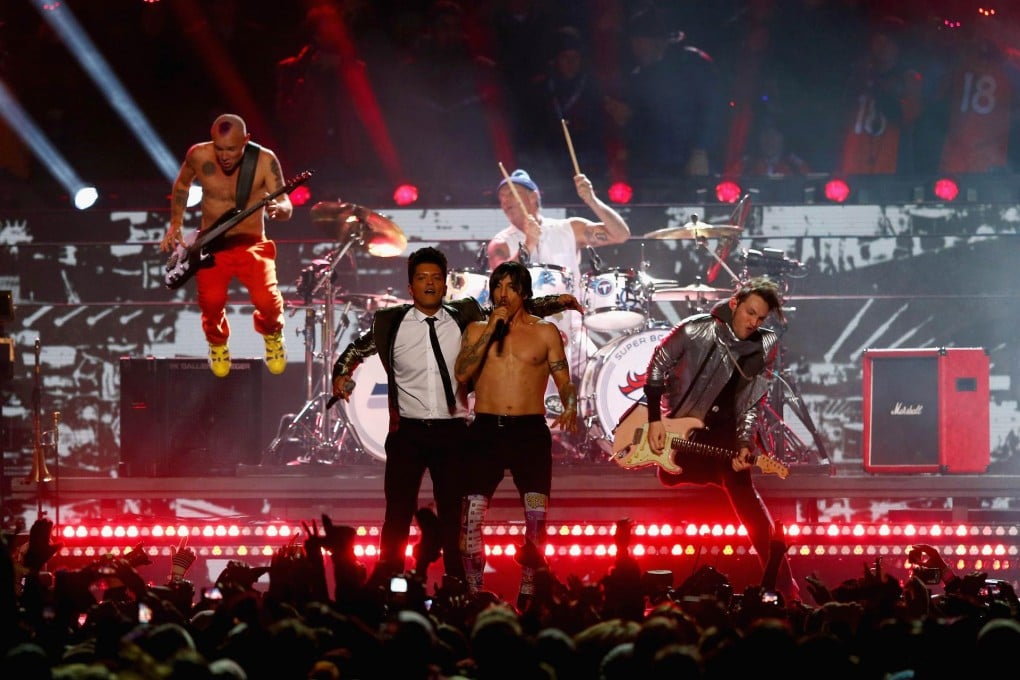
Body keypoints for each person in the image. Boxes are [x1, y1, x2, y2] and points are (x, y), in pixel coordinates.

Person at [330, 248, 579, 586]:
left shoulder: (466, 318)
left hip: (454, 433)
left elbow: (514, 309)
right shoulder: (391, 323)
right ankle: (388, 583)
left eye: (436, 278)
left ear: (446, 285)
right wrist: (342, 373)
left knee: (454, 518)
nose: (430, 284)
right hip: (408, 433)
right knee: (398, 513)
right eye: (422, 278)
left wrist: (558, 302)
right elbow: (357, 348)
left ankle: (459, 587)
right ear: (410, 286)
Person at [639, 276, 799, 599]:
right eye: (750, 312)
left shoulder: (763, 346)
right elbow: (657, 363)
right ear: (734, 303)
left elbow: (752, 402)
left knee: (746, 498)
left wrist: (743, 444)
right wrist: (655, 419)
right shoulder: (695, 329)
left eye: (761, 318)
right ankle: (711, 471)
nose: (754, 322)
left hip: (725, 435)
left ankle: (783, 586)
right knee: (668, 475)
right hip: (687, 428)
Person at [454, 261, 579, 609]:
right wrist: (491, 328)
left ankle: (529, 589)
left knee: (536, 520)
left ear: (524, 292)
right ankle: (474, 592)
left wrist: (570, 404)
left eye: (510, 287)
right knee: (470, 519)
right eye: (498, 286)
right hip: (485, 431)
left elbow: (564, 380)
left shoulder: (545, 332)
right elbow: (462, 373)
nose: (502, 294)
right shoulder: (478, 330)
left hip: (529, 432)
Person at [159, 113, 291, 378]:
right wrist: (175, 223)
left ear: (246, 140)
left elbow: (286, 202)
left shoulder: (264, 160)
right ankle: (218, 344)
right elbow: (183, 183)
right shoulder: (199, 155)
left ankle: (273, 335)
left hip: (252, 242)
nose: (225, 155)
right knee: (211, 301)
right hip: (212, 245)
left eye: (231, 148)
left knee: (267, 300)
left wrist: (279, 209)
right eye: (219, 148)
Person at [488, 168, 631, 409]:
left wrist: (591, 200)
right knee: (542, 406)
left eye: (512, 193)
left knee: (601, 383)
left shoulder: (568, 228)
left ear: (534, 197)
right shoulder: (501, 243)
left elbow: (620, 235)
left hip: (572, 331)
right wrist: (529, 243)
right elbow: (501, 285)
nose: (505, 201)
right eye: (501, 197)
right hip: (526, 332)